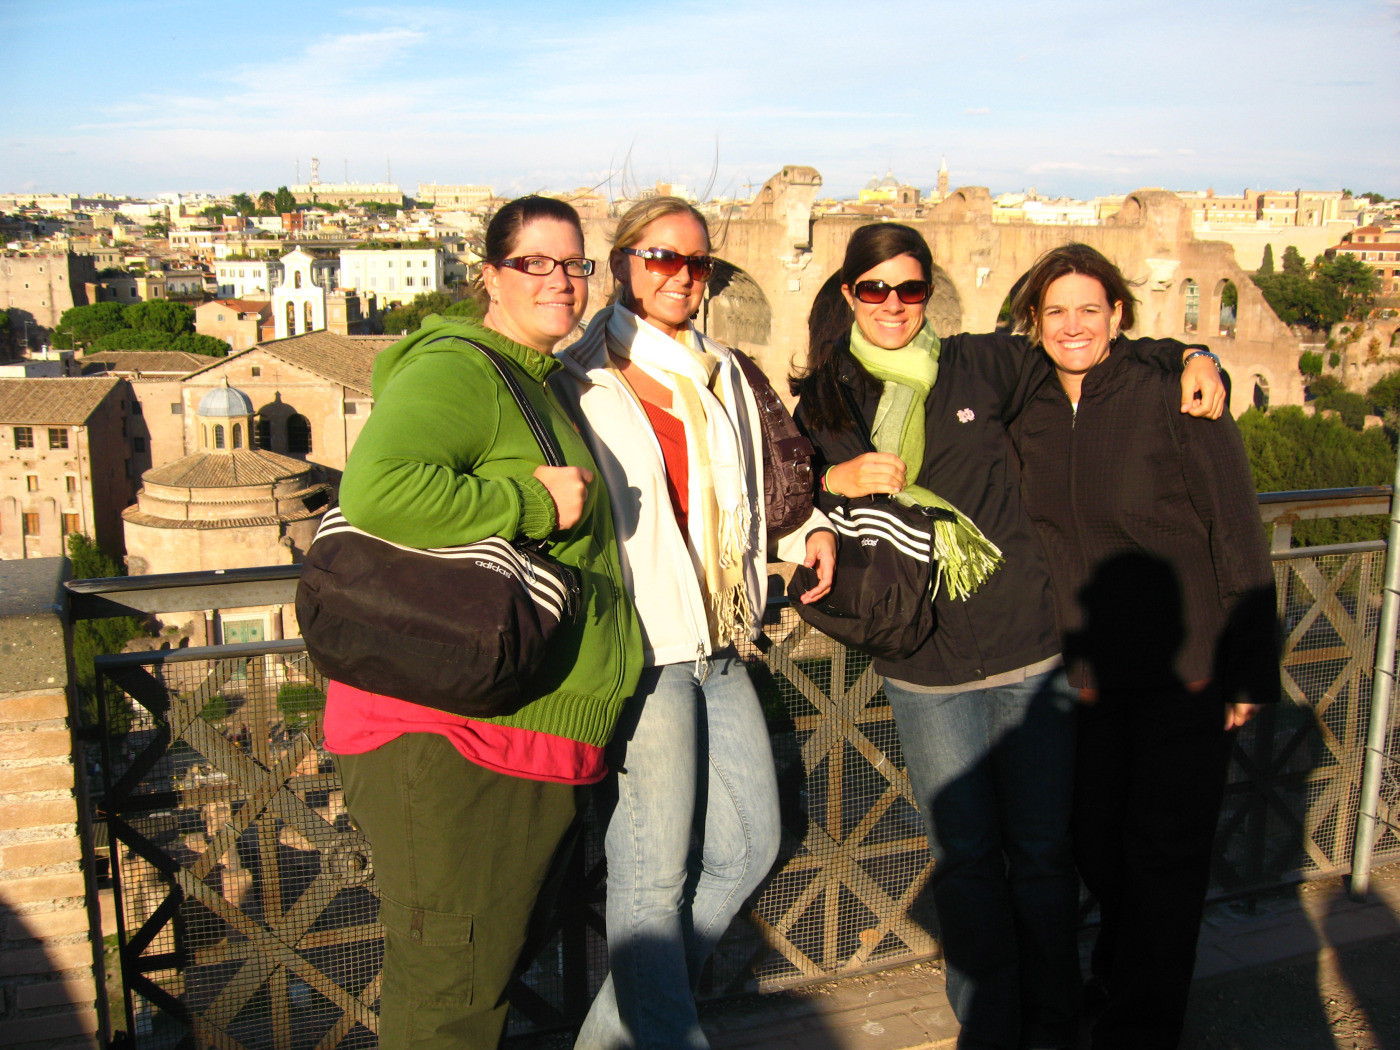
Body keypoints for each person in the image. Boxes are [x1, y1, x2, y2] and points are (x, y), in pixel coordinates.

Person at [790, 222, 1225, 1050]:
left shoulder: (982, 364)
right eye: (875, 288)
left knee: (1041, 852)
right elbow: (776, 490)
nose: (892, 304)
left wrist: (1191, 354)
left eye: (910, 288)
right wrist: (829, 479)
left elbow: (1089, 348)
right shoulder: (826, 401)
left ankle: (1052, 1019)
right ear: (849, 294)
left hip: (1027, 649)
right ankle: (989, 1024)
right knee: (965, 856)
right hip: (923, 660)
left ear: (930, 295)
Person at [321, 196, 643, 1050]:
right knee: (450, 998)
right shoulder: (460, 370)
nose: (560, 280)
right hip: (450, 737)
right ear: (490, 276)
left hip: (513, 730)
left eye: (573, 264)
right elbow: (379, 488)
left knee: (479, 979)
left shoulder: (533, 379)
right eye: (534, 262)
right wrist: (530, 501)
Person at [550, 196, 837, 1050]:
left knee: (749, 844)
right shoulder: (578, 378)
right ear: (622, 264)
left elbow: (766, 485)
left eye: (697, 262)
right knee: (650, 880)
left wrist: (809, 532)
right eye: (661, 258)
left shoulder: (723, 371)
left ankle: (611, 1036)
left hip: (721, 638)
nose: (681, 276)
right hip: (644, 649)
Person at [1008, 243, 1278, 1049]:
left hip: (1185, 670)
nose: (1074, 325)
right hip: (1084, 675)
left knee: (1163, 859)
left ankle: (1141, 1027)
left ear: (1118, 315)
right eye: (1056, 311)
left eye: (1090, 309)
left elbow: (1237, 529)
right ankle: (1124, 978)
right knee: (1095, 845)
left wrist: (1248, 670)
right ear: (1034, 321)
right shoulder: (1027, 403)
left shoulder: (1173, 394)